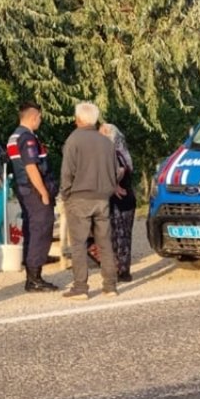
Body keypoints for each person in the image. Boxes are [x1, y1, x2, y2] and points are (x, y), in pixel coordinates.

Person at [59, 102, 119, 299]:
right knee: (105, 243)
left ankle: (80, 287)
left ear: (79, 119)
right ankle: (110, 286)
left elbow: (67, 172)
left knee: (79, 244)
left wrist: (65, 194)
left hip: (79, 197)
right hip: (102, 197)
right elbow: (114, 171)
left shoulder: (73, 140)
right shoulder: (107, 142)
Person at [7, 102, 59, 293]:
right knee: (40, 230)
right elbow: (31, 167)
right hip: (34, 190)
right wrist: (44, 192)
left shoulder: (15, 136)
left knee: (32, 229)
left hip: (25, 189)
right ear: (33, 116)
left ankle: (33, 276)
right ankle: (35, 279)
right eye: (39, 116)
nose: (41, 120)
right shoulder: (26, 137)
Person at [99, 123, 136, 283]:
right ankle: (122, 270)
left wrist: (113, 185)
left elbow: (117, 172)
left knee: (117, 236)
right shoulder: (123, 152)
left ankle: (120, 271)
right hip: (126, 198)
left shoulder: (113, 154)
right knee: (123, 236)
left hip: (118, 200)